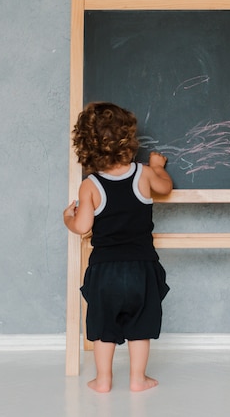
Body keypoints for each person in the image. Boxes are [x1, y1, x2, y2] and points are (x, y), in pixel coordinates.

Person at [63, 102, 172, 393]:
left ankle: (103, 379)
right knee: (140, 327)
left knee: (104, 328)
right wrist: (159, 167)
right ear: (128, 138)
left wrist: (68, 219)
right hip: (141, 267)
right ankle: (138, 378)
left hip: (104, 271)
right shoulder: (144, 174)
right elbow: (166, 188)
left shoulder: (91, 185)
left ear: (86, 146)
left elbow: (83, 226)